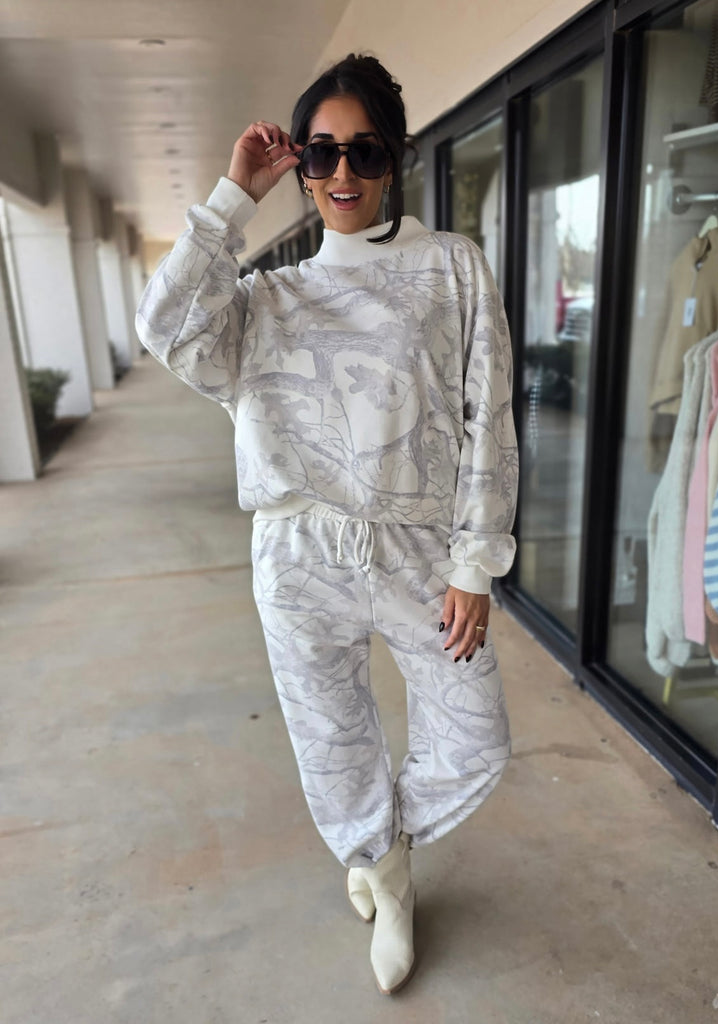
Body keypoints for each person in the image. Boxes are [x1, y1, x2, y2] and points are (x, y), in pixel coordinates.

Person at [136, 53, 518, 996]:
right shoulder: (267, 299)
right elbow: (163, 325)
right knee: (331, 740)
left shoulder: (451, 268)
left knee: (476, 738)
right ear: (301, 167)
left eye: (364, 151)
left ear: (395, 159)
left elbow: (489, 416)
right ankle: (385, 875)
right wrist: (234, 196)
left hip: (418, 549)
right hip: (297, 553)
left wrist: (475, 561)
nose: (343, 173)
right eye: (321, 153)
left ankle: (380, 843)